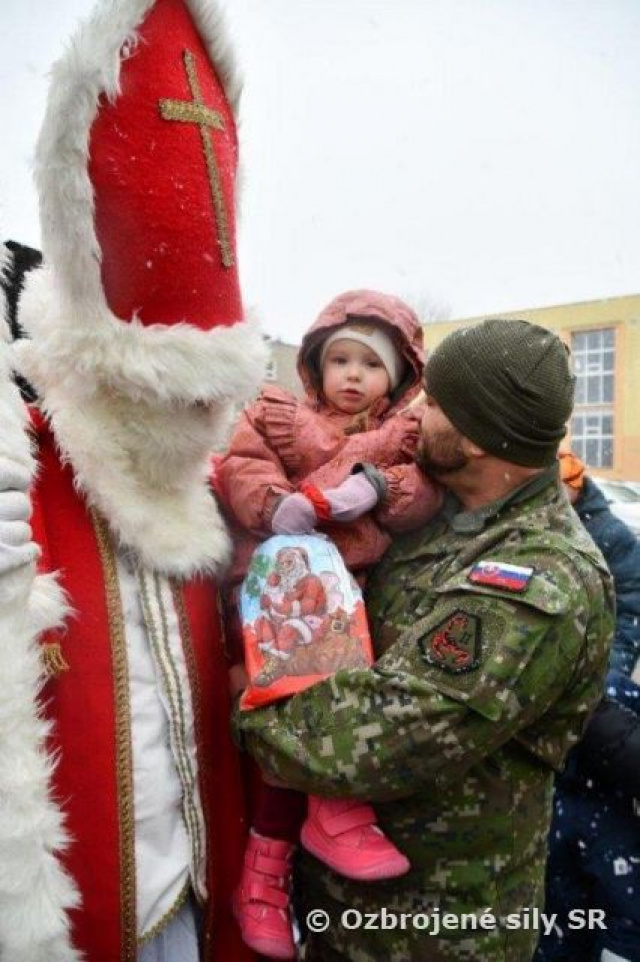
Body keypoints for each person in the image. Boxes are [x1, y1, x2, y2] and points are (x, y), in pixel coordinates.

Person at [0, 0, 267, 959]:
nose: (198, 422)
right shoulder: (24, 474)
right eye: (170, 394)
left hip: (196, 890)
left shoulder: (200, 492)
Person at [234, 318, 615, 962]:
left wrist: (247, 698)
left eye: (433, 403)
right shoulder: (434, 517)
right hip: (343, 922)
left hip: (437, 935)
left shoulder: (539, 577)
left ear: (477, 438)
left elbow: (377, 741)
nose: (413, 412)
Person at [216, 289, 443, 957]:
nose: (352, 376)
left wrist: (377, 486)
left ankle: (317, 828)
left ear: (398, 376)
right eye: (340, 359)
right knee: (290, 721)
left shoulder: (409, 435)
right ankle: (269, 872)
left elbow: (424, 490)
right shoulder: (276, 414)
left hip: (357, 595)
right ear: (315, 363)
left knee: (339, 711)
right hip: (279, 593)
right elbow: (241, 467)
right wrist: (273, 504)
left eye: (370, 365)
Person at [535, 453, 640, 962]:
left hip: (595, 709)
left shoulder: (607, 534)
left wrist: (606, 674)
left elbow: (631, 598)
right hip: (564, 780)